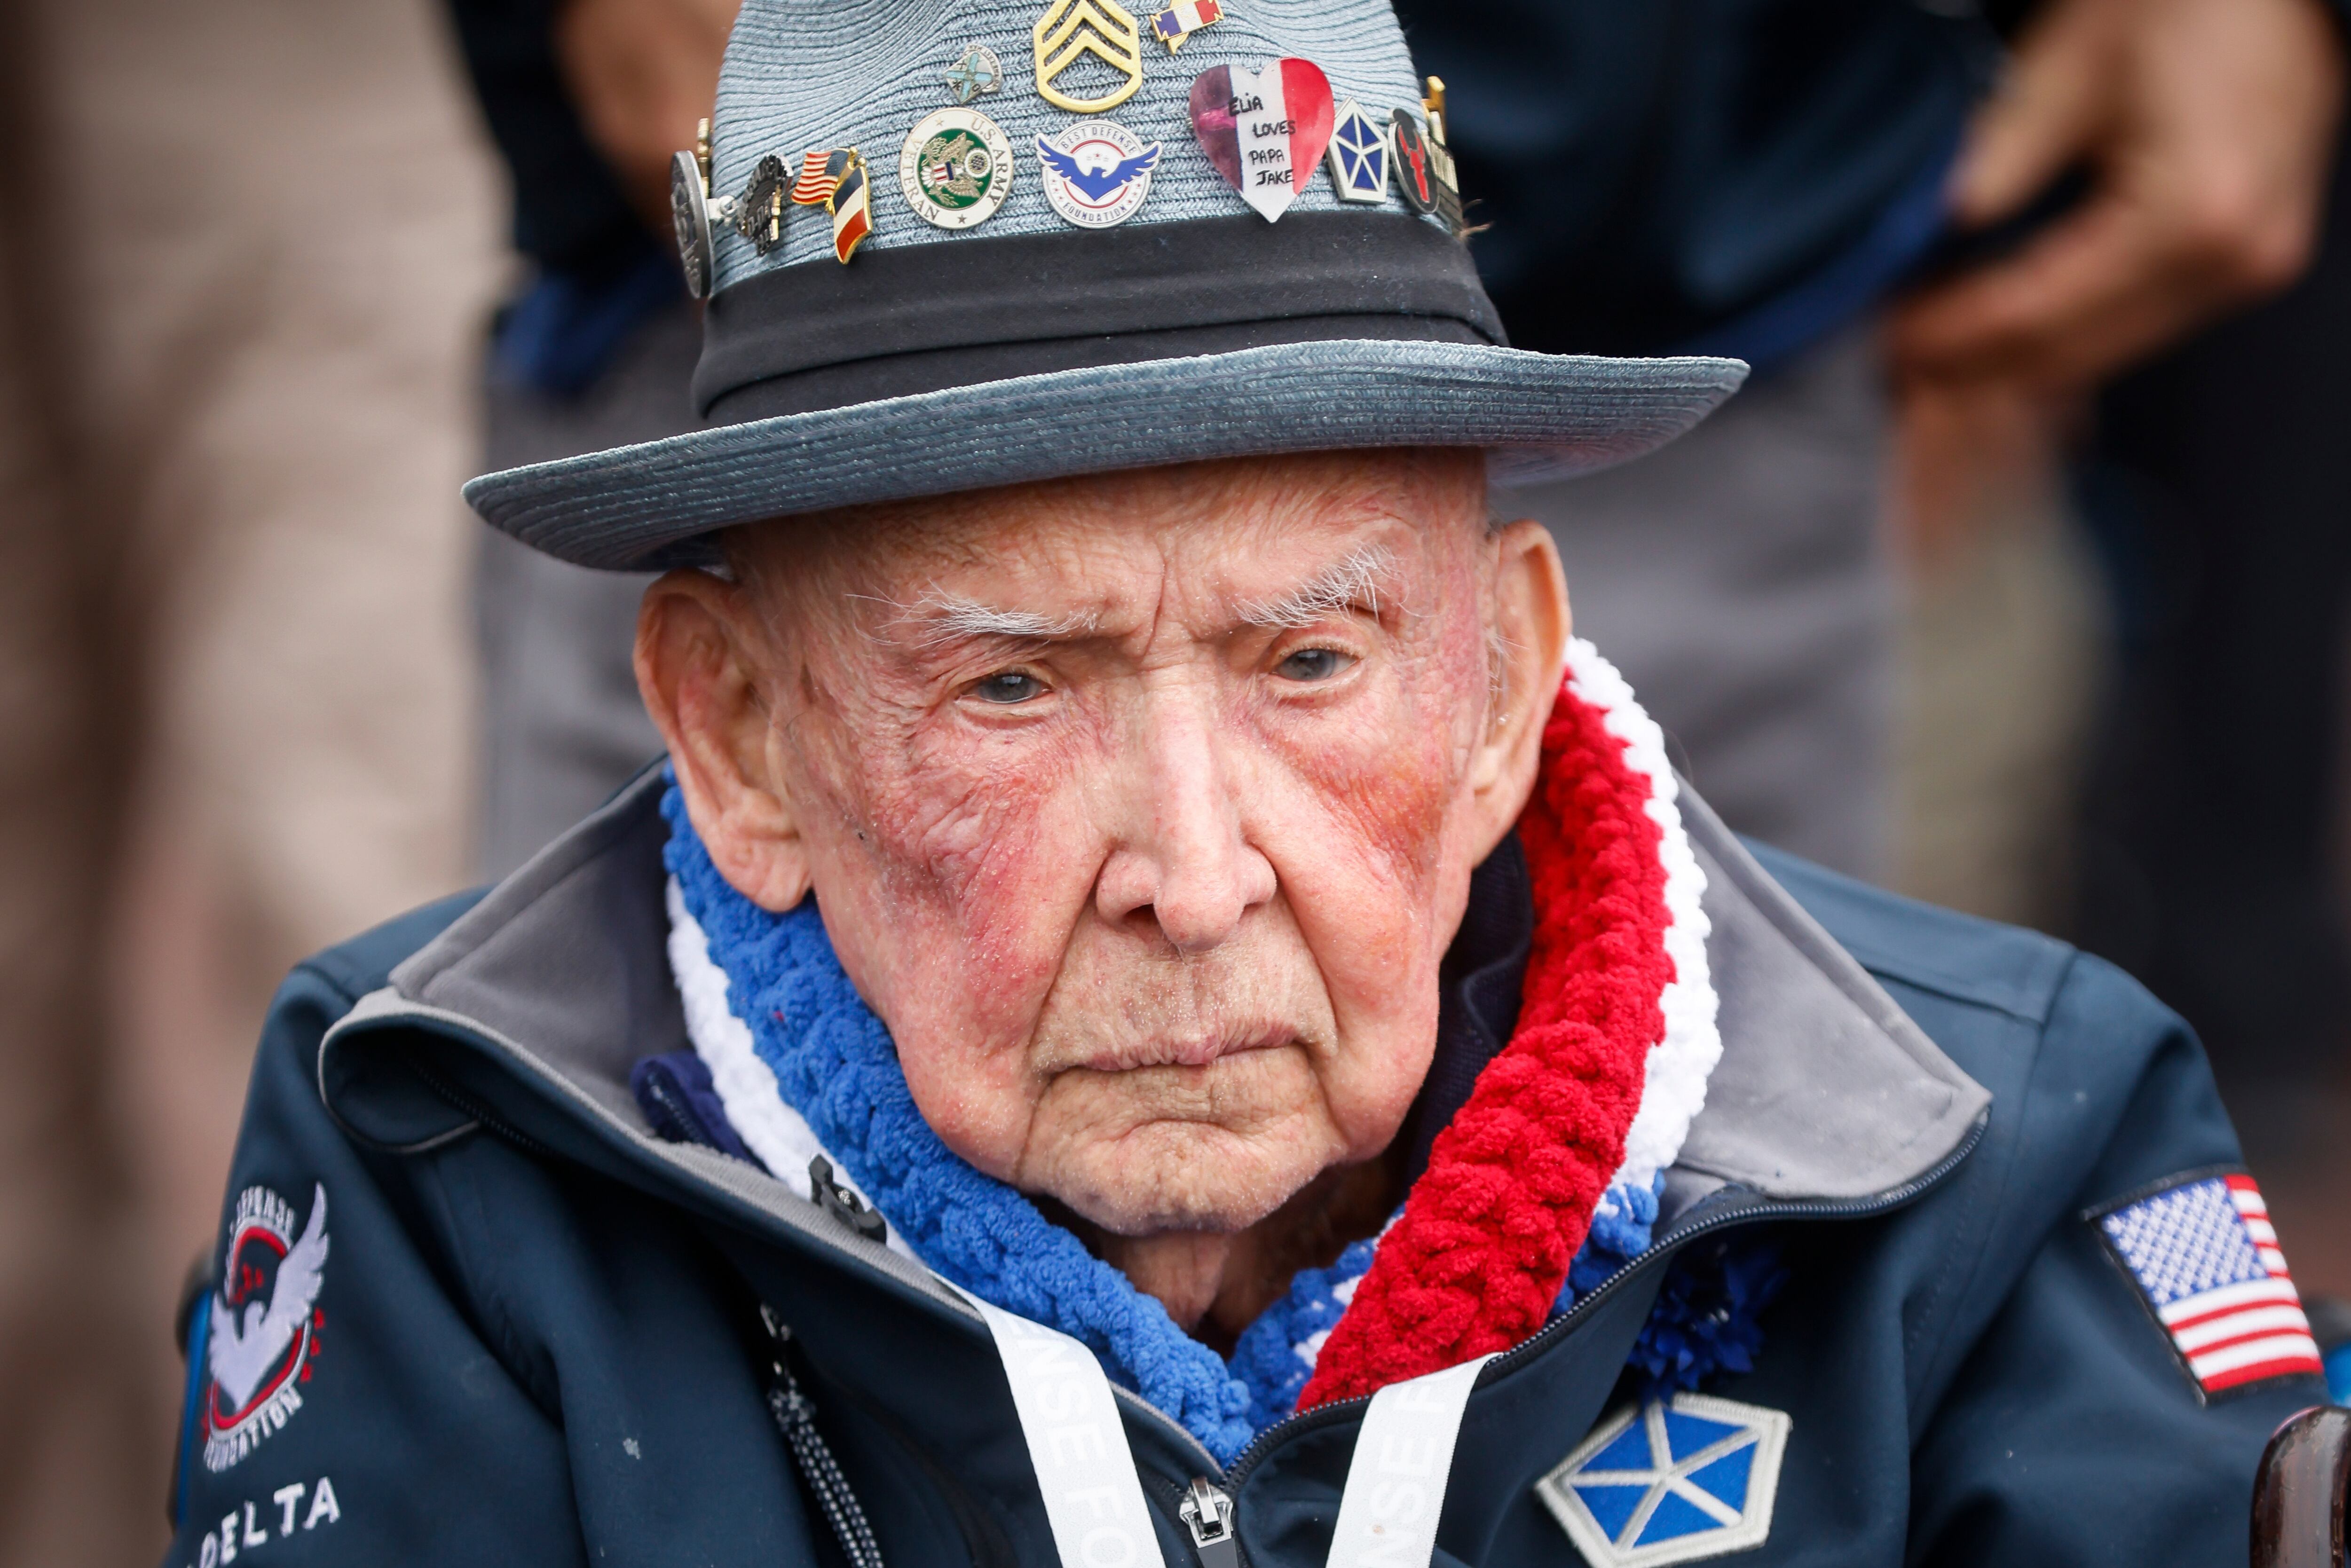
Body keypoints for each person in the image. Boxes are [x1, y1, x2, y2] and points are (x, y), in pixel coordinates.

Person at [166, 1, 2324, 1563]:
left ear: (1495, 696)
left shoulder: (2004, 1139)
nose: (1193, 879)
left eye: (1306, 664)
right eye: (1011, 689)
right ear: (739, 733)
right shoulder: (438, 1148)